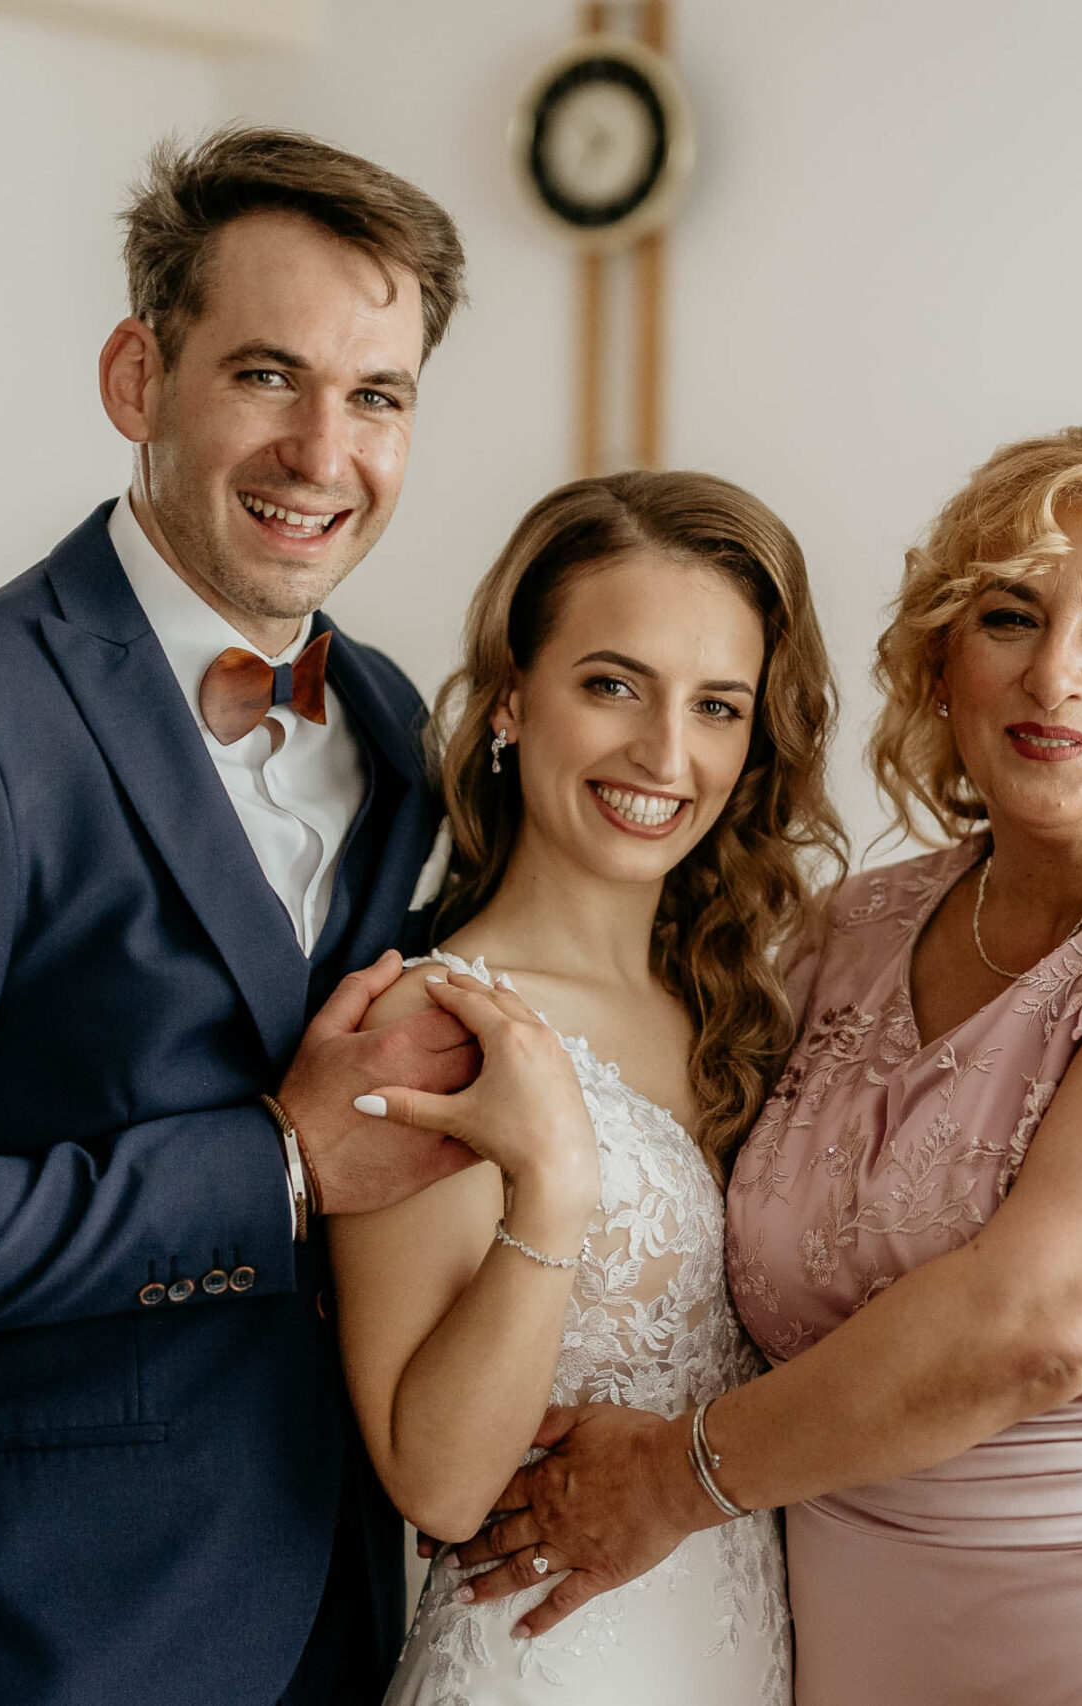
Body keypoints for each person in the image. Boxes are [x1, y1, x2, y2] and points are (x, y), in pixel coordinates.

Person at [449, 424, 1082, 1704]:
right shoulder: (849, 934)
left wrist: (671, 1476)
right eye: (1009, 616)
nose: (1055, 672)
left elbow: (1044, 1323)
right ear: (942, 665)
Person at [0, 129, 486, 1706]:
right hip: (34, 1627)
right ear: (140, 377)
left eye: (378, 396)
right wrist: (275, 1166)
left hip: (337, 1611)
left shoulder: (400, 720)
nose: (322, 451)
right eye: (267, 375)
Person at [337, 471, 842, 1704]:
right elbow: (438, 1481)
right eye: (613, 684)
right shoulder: (437, 1020)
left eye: (716, 705)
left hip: (739, 1655)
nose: (665, 753)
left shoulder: (745, 1009)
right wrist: (553, 1186)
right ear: (513, 696)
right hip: (545, 1665)